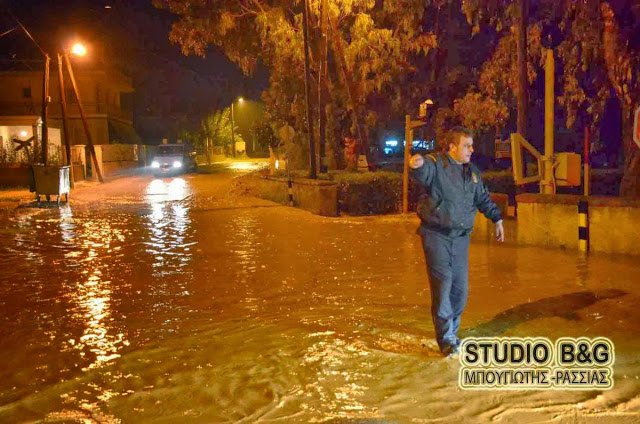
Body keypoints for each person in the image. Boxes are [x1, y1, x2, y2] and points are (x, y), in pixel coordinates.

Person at [410, 126, 504, 357]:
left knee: (460, 290)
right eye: (466, 145)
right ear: (452, 147)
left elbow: (481, 197)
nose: (471, 150)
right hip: (436, 235)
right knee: (443, 286)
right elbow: (423, 172)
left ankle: (452, 332)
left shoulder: (471, 172)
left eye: (471, 145)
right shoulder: (437, 164)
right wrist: (417, 164)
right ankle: (446, 341)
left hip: (461, 239)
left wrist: (497, 218)